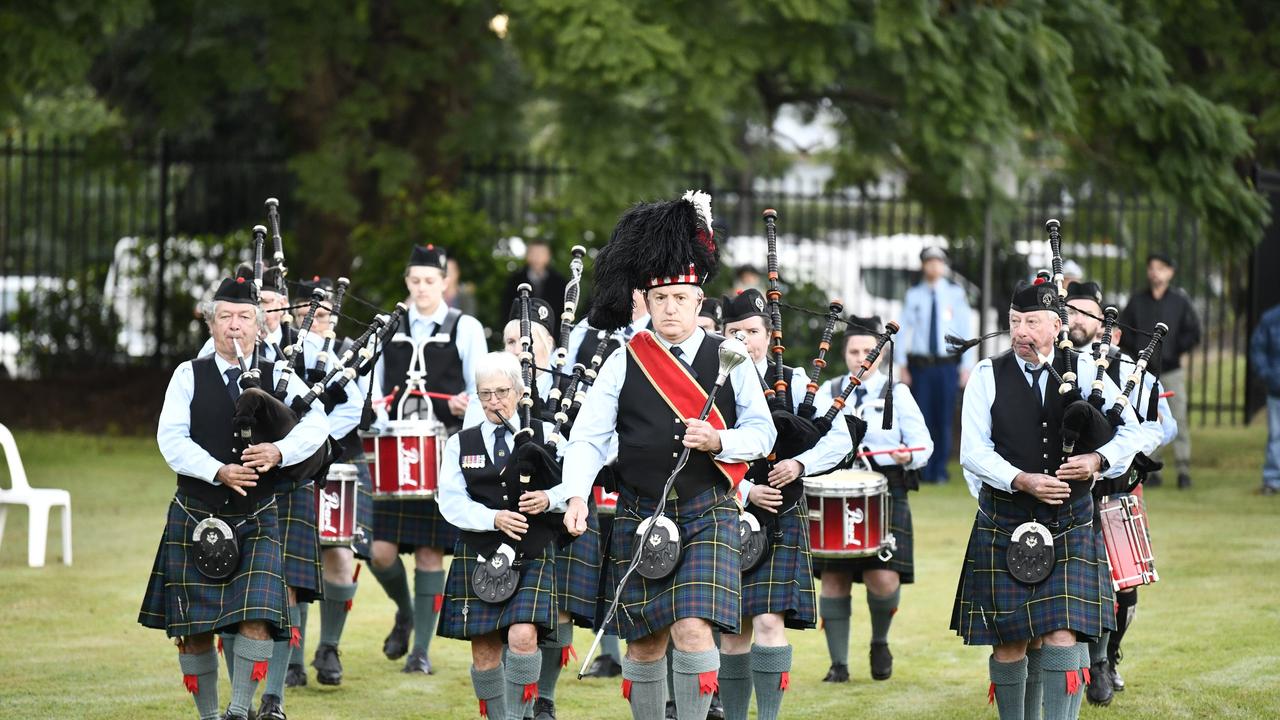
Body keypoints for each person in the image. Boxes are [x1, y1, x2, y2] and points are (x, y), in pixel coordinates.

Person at [555, 192, 776, 720]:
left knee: (693, 627)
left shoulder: (732, 356)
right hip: (640, 508)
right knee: (645, 643)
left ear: (699, 301)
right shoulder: (622, 360)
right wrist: (576, 493)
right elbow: (588, 436)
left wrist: (720, 442)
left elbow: (762, 434)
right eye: (661, 300)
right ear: (645, 303)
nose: (671, 309)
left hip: (708, 507)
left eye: (681, 298)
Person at [951, 279, 1148, 720]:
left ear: (1056, 325)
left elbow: (1133, 432)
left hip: (1070, 520)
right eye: (1014, 322)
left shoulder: (1090, 371)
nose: (1021, 332)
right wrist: (1021, 479)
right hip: (1007, 516)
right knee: (1010, 639)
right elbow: (973, 452)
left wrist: (1098, 459)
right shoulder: (987, 375)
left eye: (1032, 322)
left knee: (1063, 635)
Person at [139, 271, 327, 720]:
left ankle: (240, 709)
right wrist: (217, 470)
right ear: (211, 324)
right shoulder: (190, 374)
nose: (235, 325)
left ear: (260, 324)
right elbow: (171, 439)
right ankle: (209, 716)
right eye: (225, 316)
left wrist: (280, 450)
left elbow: (316, 424)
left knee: (258, 618)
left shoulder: (279, 373)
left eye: (245, 316)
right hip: (197, 511)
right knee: (195, 628)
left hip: (257, 513)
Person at [464, 298, 604, 720]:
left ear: (549, 346)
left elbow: (593, 446)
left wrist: (561, 495)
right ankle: (514, 697)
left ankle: (544, 697)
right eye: (508, 340)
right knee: (506, 604)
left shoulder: (574, 384)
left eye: (525, 340)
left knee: (557, 608)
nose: (516, 348)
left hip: (564, 509)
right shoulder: (492, 391)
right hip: (509, 513)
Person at [244, 276, 361, 719]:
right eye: (262, 303)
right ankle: (248, 691)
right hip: (241, 477)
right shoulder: (226, 354)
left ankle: (281, 689)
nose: (267, 310)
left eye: (274, 302)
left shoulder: (308, 349)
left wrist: (311, 447)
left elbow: (345, 404)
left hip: (298, 473)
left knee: (294, 580)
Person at [369, 243, 487, 674]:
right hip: (396, 450)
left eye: (430, 281)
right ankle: (406, 611)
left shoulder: (465, 327)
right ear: (407, 282)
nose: (422, 288)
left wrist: (466, 405)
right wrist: (382, 415)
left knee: (429, 554)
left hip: (444, 450)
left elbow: (481, 389)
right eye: (415, 281)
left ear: (444, 283)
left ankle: (420, 651)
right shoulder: (390, 327)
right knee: (379, 552)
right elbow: (375, 389)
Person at [717, 289, 834, 720]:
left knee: (768, 622)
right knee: (732, 631)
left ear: (768, 335)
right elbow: (700, 447)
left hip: (781, 515)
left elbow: (838, 436)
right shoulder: (713, 381)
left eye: (752, 331)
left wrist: (800, 464)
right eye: (735, 332)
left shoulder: (797, 381)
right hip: (727, 511)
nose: (745, 340)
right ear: (721, 335)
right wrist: (745, 490)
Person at [1065, 280, 1176, 707]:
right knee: (1075, 581)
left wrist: (1119, 451)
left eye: (1086, 313)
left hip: (1117, 486)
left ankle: (1108, 658)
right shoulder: (1057, 363)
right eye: (1069, 311)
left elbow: (1164, 427)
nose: (1076, 319)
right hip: (1069, 489)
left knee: (1123, 584)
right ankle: (1083, 663)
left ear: (1106, 326)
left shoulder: (1133, 369)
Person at [438, 352, 566, 720]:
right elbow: (450, 501)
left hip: (532, 547)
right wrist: (493, 518)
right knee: (484, 650)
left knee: (523, 636)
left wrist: (548, 498)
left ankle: (519, 716)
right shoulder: (461, 443)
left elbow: (574, 486)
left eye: (501, 391)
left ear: (520, 390)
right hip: (480, 550)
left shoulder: (548, 434)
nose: (494, 402)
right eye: (485, 394)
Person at [812, 315, 933, 684]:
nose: (861, 357)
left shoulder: (897, 392)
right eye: (854, 351)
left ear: (879, 354)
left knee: (883, 578)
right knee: (834, 577)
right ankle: (838, 664)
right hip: (835, 490)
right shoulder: (827, 390)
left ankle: (880, 642)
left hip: (884, 488)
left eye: (868, 350)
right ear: (844, 354)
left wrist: (906, 456)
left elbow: (925, 445)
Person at [281, 278, 375, 693]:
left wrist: (316, 440)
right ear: (293, 315)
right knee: (293, 559)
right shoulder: (281, 352)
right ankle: (293, 658)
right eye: (307, 314)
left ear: (335, 318)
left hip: (340, 459)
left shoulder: (352, 353)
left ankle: (330, 648)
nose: (315, 321)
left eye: (323, 315)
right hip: (290, 466)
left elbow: (357, 407)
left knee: (339, 552)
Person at [1118, 252, 1201, 488]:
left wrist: (1175, 352)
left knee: (1178, 417)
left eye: (1161, 268)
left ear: (1170, 272)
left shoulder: (1179, 302)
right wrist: (1137, 353)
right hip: (1143, 372)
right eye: (1152, 267)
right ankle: (1152, 468)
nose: (1155, 272)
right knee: (1147, 416)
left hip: (1171, 370)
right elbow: (1125, 331)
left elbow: (1193, 331)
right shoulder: (1137, 301)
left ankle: (1184, 469)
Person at [895, 246, 973, 484]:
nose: (934, 266)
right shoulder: (914, 295)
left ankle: (940, 469)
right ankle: (923, 467)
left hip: (947, 365)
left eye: (938, 262)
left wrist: (966, 364)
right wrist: (901, 363)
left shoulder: (955, 294)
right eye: (929, 262)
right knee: (922, 416)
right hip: (922, 365)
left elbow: (965, 329)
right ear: (923, 265)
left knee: (944, 417)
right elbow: (902, 331)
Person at [502, 238, 568, 331]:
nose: (537, 257)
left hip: (551, 334)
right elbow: (506, 309)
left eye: (541, 254)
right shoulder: (515, 280)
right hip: (520, 331)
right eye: (533, 253)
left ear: (548, 256)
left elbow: (563, 312)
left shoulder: (559, 282)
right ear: (527, 256)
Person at [1250, 302, 1280, 496]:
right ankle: (1272, 479)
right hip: (1277, 387)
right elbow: (1258, 349)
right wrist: (1269, 376)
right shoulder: (1271, 319)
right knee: (1276, 435)